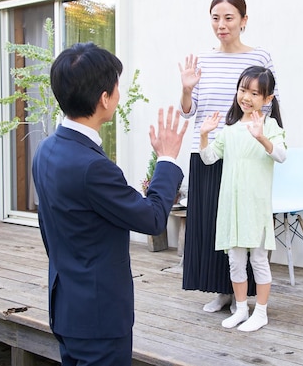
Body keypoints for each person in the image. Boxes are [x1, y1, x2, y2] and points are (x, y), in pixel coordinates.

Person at [32, 42, 188, 366]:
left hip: (66, 307)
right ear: (104, 99)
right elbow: (153, 218)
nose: (118, 93)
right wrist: (168, 158)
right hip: (99, 319)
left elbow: (49, 232)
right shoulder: (93, 167)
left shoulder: (45, 151)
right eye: (116, 86)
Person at [178, 0, 279, 313]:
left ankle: (243, 298)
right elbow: (188, 112)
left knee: (243, 227)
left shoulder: (260, 57)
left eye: (229, 17)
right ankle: (221, 291)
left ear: (244, 21)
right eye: (215, 18)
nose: (221, 25)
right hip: (206, 149)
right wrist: (186, 88)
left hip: (245, 153)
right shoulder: (202, 61)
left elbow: (271, 104)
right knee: (210, 225)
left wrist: (263, 141)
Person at [199, 66, 285, 332]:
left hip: (255, 207)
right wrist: (204, 134)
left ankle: (261, 312)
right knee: (235, 261)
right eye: (243, 90)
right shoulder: (231, 129)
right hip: (231, 208)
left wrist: (262, 138)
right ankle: (241, 308)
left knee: (258, 259)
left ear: (268, 99)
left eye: (255, 93)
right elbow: (208, 157)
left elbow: (281, 155)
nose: (246, 97)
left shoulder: (269, 126)